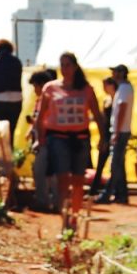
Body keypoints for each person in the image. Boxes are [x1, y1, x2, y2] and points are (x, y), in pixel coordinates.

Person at [35, 52, 104, 224]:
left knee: (79, 179)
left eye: (67, 64)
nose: (64, 68)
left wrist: (104, 137)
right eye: (62, 64)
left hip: (80, 138)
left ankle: (74, 216)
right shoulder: (50, 88)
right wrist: (40, 138)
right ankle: (65, 217)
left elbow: (97, 114)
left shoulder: (86, 89)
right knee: (62, 178)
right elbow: (41, 115)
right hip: (57, 138)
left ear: (74, 66)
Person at [96, 64, 134, 205]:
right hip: (121, 130)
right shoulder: (124, 88)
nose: (113, 74)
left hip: (120, 131)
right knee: (119, 165)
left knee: (115, 164)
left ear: (121, 73)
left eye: (115, 72)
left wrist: (116, 131)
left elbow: (122, 109)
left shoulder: (124, 89)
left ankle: (107, 194)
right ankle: (121, 194)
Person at [27, 70, 58, 212]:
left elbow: (45, 121)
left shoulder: (47, 99)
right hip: (47, 140)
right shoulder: (44, 99)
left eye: (35, 86)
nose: (34, 90)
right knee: (49, 173)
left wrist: (40, 139)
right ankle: (53, 201)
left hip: (46, 140)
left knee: (41, 171)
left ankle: (44, 201)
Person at [0, 39, 24, 141]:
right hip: (16, 97)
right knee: (12, 127)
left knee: (2, 128)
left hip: (0, 98)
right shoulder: (17, 62)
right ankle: (10, 150)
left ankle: (3, 153)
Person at [88, 77, 117, 197]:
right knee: (101, 162)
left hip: (112, 132)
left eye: (105, 85)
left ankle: (111, 189)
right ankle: (94, 189)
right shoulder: (106, 100)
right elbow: (103, 117)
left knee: (114, 164)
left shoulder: (117, 99)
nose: (104, 88)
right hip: (105, 132)